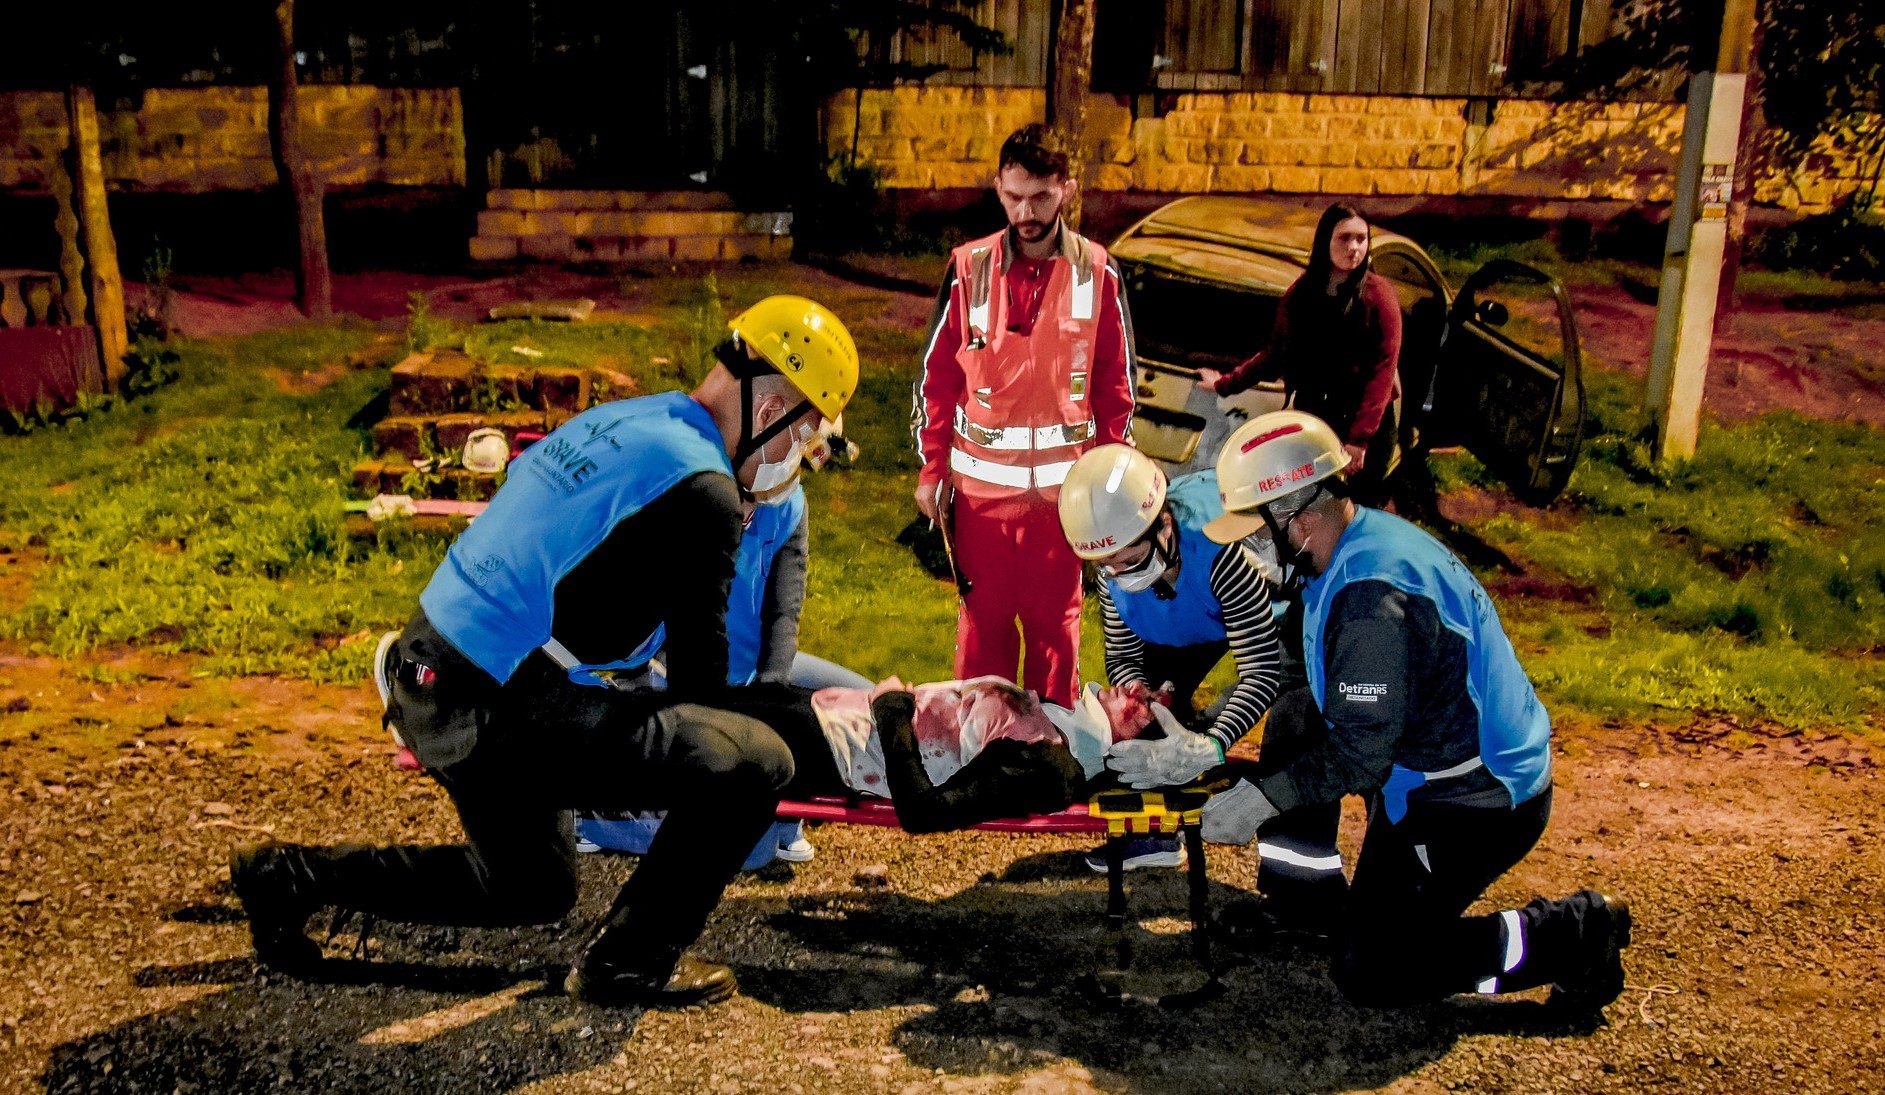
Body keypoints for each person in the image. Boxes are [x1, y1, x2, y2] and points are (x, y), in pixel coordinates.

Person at [228, 296, 859, 1010]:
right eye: (802, 434)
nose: (796, 458)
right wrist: (813, 727)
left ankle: (288, 876)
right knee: (751, 759)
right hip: (494, 697)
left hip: (429, 668)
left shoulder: (629, 422)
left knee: (533, 885)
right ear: (771, 406)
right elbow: (701, 692)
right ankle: (628, 965)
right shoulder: (706, 491)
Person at [1115, 409, 1630, 1013]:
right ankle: (1305, 903)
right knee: (1298, 719)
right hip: (1429, 762)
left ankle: (1574, 935)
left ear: (1299, 518)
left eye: (1253, 536)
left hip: (1474, 798)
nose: (1247, 554)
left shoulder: (1369, 602)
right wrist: (1208, 740)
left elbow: (1361, 752)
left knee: (1376, 969)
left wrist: (1261, 799)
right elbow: (1299, 680)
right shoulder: (1348, 551)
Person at [914, 123, 1138, 709]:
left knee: (1055, 638)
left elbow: (1116, 388)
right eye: (1013, 197)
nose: (1026, 212)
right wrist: (932, 471)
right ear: (997, 187)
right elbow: (937, 380)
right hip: (980, 503)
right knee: (982, 636)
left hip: (1063, 505)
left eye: (1040, 197)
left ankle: (1051, 747)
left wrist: (1111, 482)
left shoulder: (1097, 270)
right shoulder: (968, 266)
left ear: (1066, 189)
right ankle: (978, 741)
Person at [1057, 443, 1285, 872]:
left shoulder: (1223, 553)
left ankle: (1297, 865)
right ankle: (1153, 835)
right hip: (1184, 611)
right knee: (1146, 713)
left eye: (1131, 560)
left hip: (1272, 611)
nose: (1121, 576)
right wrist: (1138, 694)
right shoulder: (1114, 564)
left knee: (1292, 716)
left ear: (1164, 526)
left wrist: (1212, 744)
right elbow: (1123, 655)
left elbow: (1262, 671)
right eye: (1107, 566)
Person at [712, 675, 1164, 833]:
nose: (1140, 690)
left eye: (1151, 707)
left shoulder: (1052, 768)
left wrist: (892, 709)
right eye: (1150, 689)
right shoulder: (1055, 720)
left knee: (690, 727)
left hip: (831, 748)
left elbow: (923, 812)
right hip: (833, 714)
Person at [1195, 203, 1403, 503]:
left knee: (1358, 509)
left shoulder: (1379, 296)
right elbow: (1275, 353)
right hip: (1318, 418)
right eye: (1344, 238)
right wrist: (1225, 384)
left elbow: (1383, 370)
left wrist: (1359, 440)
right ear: (1325, 241)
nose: (1354, 247)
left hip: (1365, 425)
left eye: (1361, 238)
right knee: (1312, 504)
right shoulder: (1303, 293)